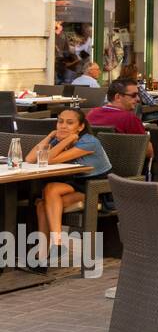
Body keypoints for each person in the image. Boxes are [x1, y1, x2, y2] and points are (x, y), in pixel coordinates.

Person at [24, 107, 112, 270]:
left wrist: (67, 139)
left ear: (80, 127)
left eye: (69, 123)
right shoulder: (59, 138)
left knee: (49, 192)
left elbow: (48, 160)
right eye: (60, 121)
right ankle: (45, 253)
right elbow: (29, 159)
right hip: (77, 183)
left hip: (97, 188)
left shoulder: (89, 141)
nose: (63, 126)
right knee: (43, 200)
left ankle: (55, 244)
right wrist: (50, 136)